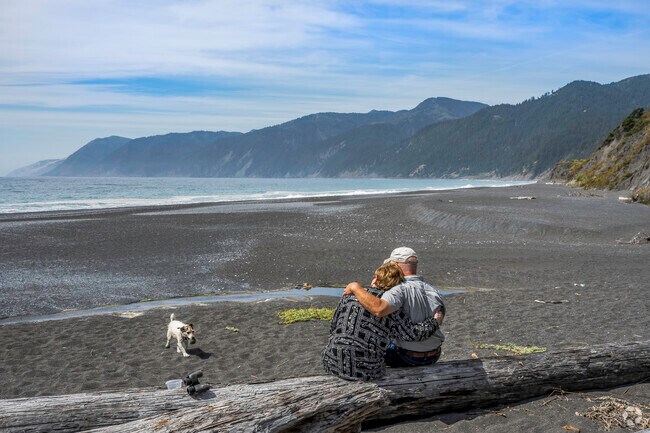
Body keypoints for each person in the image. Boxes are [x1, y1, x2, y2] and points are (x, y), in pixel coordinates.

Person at [322, 262, 439, 381]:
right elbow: (414, 334)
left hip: (333, 361)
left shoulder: (348, 297)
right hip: (366, 370)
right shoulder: (391, 309)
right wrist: (435, 320)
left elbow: (333, 328)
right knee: (392, 346)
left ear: (375, 279)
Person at [343, 247, 445, 367]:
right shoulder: (433, 290)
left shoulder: (398, 290)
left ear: (395, 265)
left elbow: (378, 309)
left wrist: (355, 287)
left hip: (407, 357)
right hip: (434, 354)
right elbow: (439, 316)